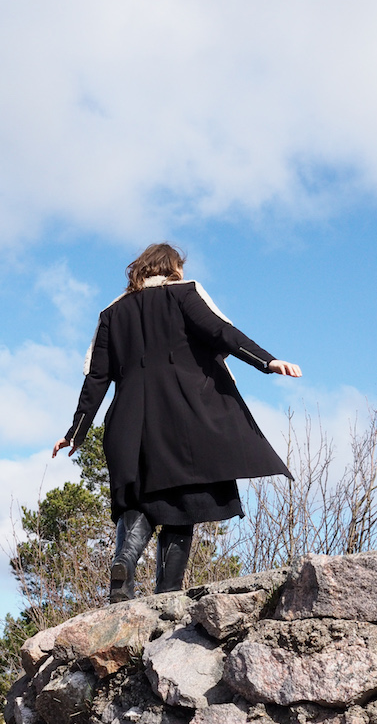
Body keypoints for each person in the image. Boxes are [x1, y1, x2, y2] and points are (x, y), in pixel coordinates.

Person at [53, 243, 301, 602]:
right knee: (184, 501)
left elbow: (96, 378)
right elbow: (221, 332)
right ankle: (167, 594)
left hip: (128, 421)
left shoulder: (110, 313)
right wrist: (267, 361)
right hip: (182, 413)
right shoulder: (184, 293)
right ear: (171, 267)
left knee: (138, 499)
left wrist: (75, 432)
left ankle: (124, 559)